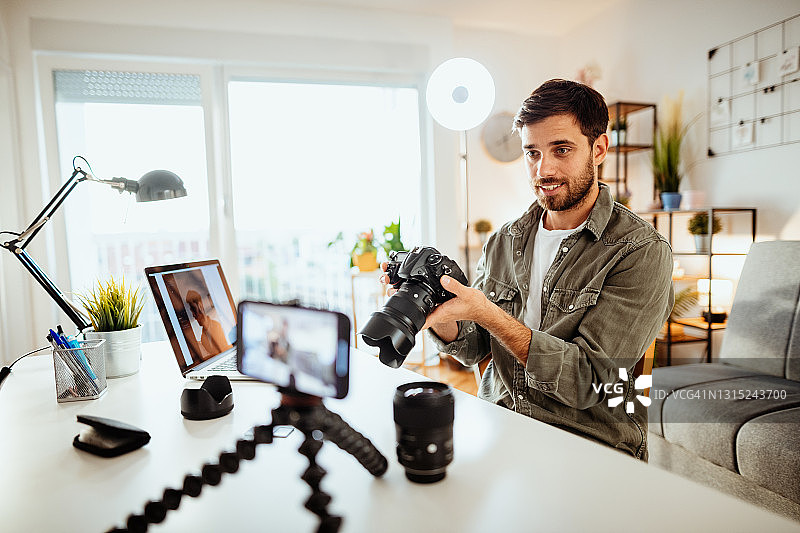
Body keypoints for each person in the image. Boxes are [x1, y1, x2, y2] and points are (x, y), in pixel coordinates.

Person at [384, 79, 673, 460]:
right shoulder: (506, 239)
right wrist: (438, 312)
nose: (544, 169)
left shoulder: (640, 251)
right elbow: (473, 347)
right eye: (532, 153)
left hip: (586, 441)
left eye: (562, 149)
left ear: (598, 148)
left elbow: (590, 381)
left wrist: (488, 313)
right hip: (499, 422)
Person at [186, 290, 233, 357]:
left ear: (200, 306)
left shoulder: (218, 326)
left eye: (193, 309)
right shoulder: (202, 337)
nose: (193, 315)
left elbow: (226, 351)